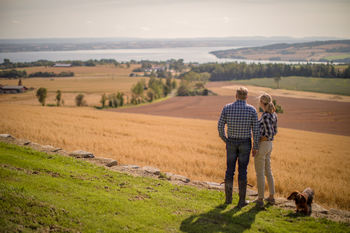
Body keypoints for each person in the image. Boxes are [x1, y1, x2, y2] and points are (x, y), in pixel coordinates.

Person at [218, 87, 260, 208]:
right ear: (246, 97)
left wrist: (225, 139)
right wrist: (255, 146)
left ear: (236, 95)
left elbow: (220, 126)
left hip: (231, 141)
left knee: (229, 170)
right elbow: (256, 130)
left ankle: (228, 200)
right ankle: (241, 201)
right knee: (243, 171)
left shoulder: (227, 108)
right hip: (245, 144)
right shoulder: (251, 110)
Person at [253, 93, 278, 208]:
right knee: (268, 170)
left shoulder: (266, 115)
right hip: (270, 145)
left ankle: (260, 199)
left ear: (262, 103)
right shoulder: (274, 115)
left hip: (263, 145)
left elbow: (268, 133)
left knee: (260, 173)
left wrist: (258, 142)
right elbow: (275, 132)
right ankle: (271, 197)